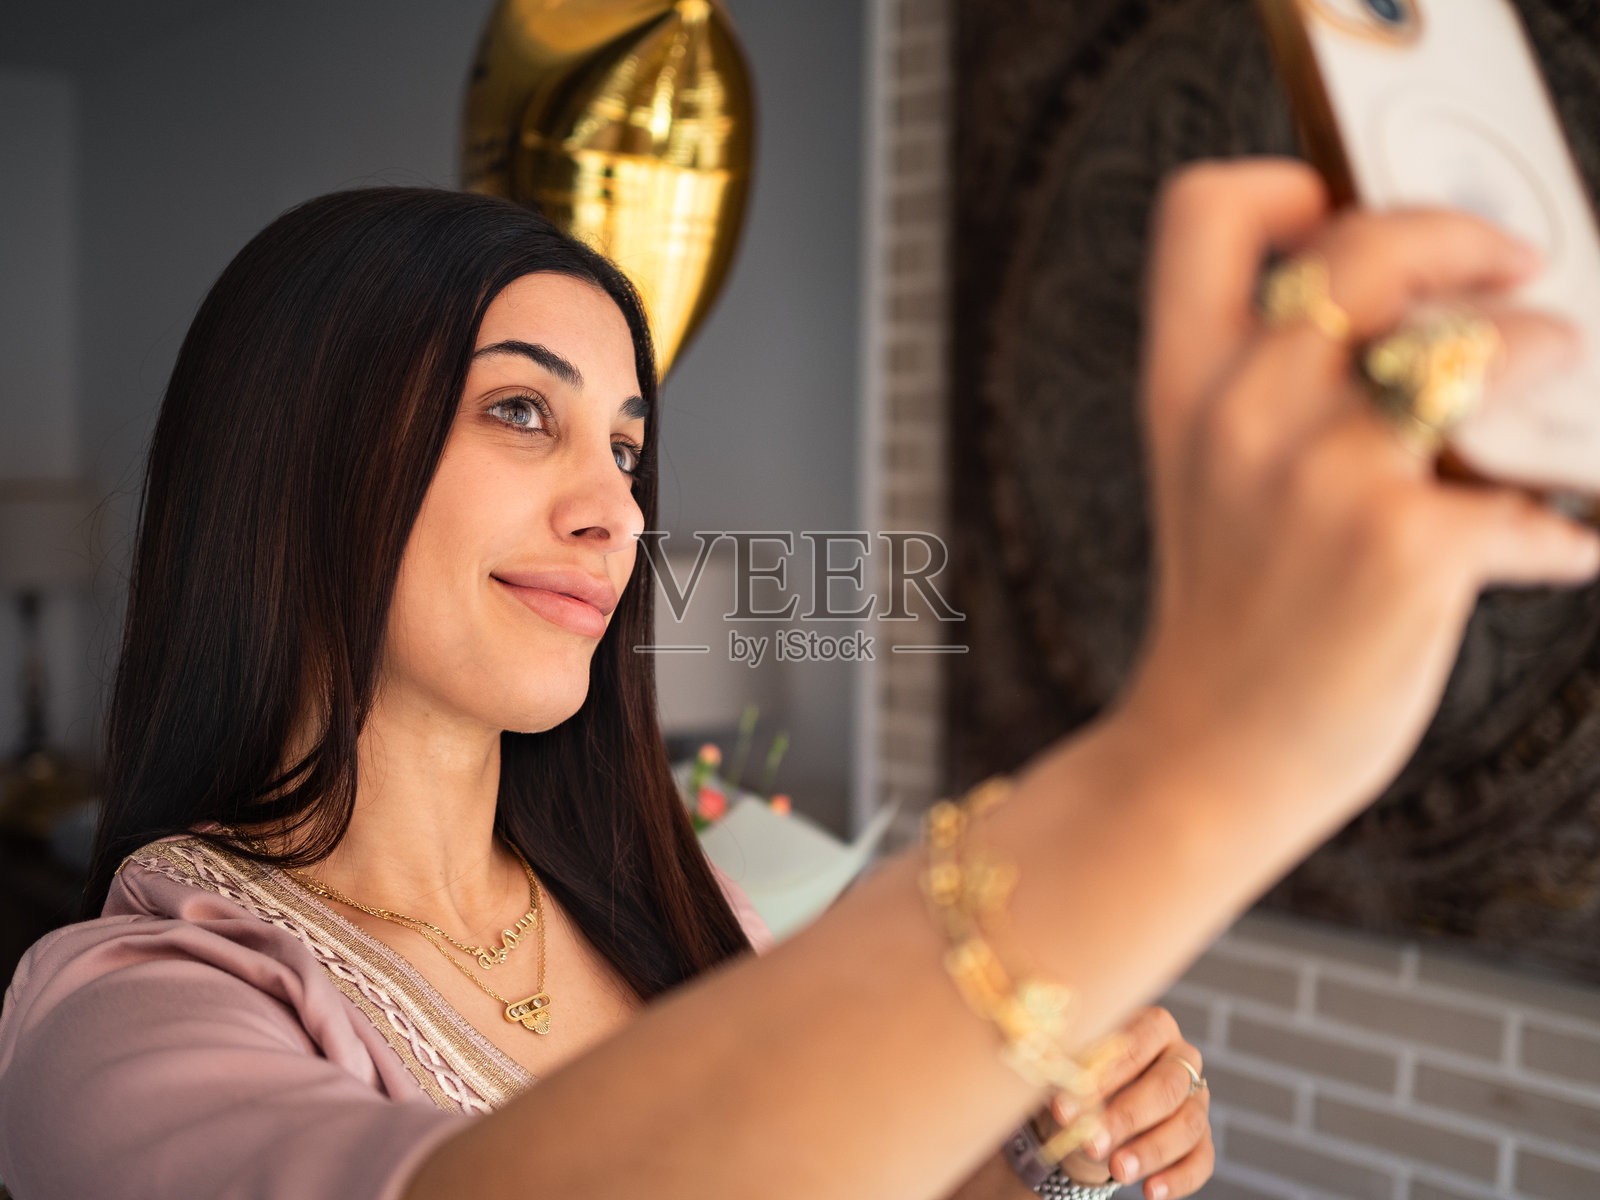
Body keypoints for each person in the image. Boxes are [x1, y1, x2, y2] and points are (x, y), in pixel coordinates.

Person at [0, 156, 1592, 1200]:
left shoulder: (689, 903)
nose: (616, 510)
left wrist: (1033, 1152)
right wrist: (1197, 765)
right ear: (295, 456)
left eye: (629, 448)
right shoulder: (124, 1021)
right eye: (521, 412)